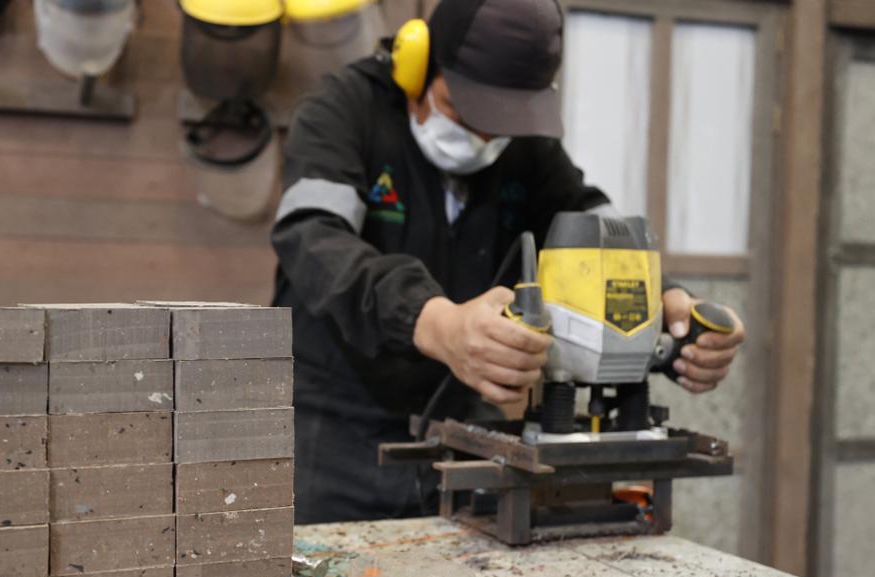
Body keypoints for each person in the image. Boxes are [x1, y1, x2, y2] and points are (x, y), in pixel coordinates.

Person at [270, 0, 746, 525]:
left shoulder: (526, 148)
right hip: (333, 433)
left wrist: (667, 303)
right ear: (419, 60)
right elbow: (314, 240)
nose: (483, 138)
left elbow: (596, 232)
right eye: (464, 111)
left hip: (464, 436)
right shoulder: (344, 110)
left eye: (499, 124)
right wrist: (437, 322)